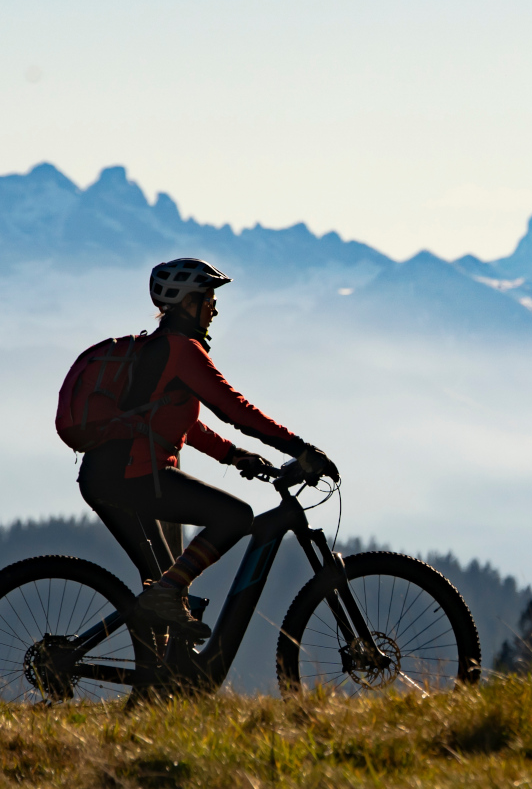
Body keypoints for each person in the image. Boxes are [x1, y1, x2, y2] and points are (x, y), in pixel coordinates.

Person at [75, 258, 338, 648]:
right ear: (186, 303)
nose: (214, 307)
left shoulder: (160, 349)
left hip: (109, 476)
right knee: (234, 517)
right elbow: (236, 410)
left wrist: (233, 456)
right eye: (208, 298)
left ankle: (157, 684)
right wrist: (301, 449)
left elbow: (175, 422)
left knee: (165, 591)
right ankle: (160, 624)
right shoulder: (181, 351)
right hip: (134, 478)